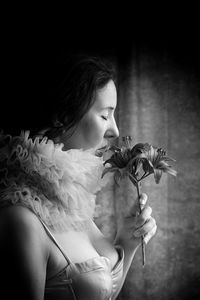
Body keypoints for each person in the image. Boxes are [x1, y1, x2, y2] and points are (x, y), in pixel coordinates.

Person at [0, 54, 157, 300]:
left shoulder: (71, 200)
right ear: (61, 116)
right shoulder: (20, 219)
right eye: (105, 115)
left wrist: (127, 242)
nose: (115, 131)